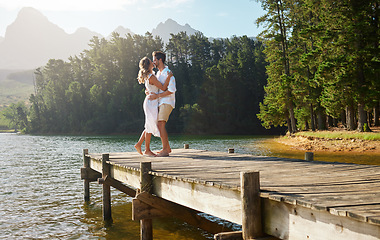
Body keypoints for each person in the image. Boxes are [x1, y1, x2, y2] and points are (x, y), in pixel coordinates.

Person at [134, 57, 173, 156]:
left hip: (151, 102)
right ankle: (146, 149)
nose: (153, 63)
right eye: (152, 62)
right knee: (150, 124)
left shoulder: (150, 75)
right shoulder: (151, 76)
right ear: (149, 65)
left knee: (150, 124)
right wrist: (169, 77)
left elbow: (150, 88)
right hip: (151, 102)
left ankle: (139, 144)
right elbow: (163, 88)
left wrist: (148, 91)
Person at [149, 51, 176, 157]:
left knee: (161, 124)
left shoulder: (168, 73)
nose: (153, 62)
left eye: (154, 59)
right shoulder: (158, 73)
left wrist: (157, 96)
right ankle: (167, 148)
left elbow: (171, 90)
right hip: (160, 102)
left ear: (160, 60)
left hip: (167, 102)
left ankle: (165, 150)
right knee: (159, 124)